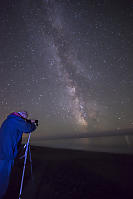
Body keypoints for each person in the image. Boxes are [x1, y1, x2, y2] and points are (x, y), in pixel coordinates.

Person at [0, 111, 37, 199]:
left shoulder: (10, 120)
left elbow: (22, 124)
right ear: (21, 116)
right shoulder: (15, 121)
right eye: (25, 117)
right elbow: (27, 128)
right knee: (3, 178)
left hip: (3, 152)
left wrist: (28, 121)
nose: (25, 118)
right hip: (6, 154)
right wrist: (34, 125)